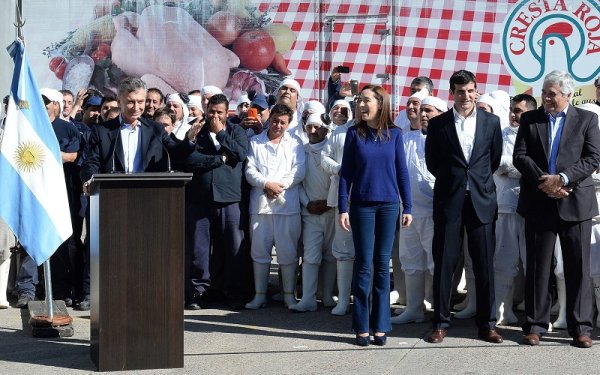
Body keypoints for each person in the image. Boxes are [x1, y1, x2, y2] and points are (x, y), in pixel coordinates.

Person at [513, 70, 600, 348]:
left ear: (568, 94)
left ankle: (581, 328)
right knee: (538, 267)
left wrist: (562, 179)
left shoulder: (587, 119)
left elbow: (592, 157)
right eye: (544, 92)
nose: (546, 98)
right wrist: (546, 182)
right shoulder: (530, 118)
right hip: (539, 201)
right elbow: (520, 156)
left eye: (552, 93)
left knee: (578, 267)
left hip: (574, 201)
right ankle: (535, 325)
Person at [424, 70, 503, 344]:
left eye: (470, 90)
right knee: (445, 262)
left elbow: (492, 159)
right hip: (450, 200)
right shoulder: (439, 124)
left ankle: (487, 324)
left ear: (476, 90)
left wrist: (475, 182)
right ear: (452, 93)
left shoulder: (492, 122)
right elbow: (432, 162)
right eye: (460, 91)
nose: (466, 96)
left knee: (484, 265)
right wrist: (455, 181)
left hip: (481, 200)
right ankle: (440, 322)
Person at [338, 85, 412, 346]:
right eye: (359, 101)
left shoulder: (395, 134)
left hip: (389, 206)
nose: (360, 105)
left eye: (366, 100)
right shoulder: (353, 134)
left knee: (383, 266)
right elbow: (346, 174)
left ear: (380, 104)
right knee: (364, 265)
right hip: (361, 206)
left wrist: (408, 206)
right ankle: (361, 325)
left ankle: (381, 325)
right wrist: (343, 208)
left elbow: (402, 171)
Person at [182, 94, 247, 310]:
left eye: (220, 112)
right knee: (199, 249)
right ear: (206, 110)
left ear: (227, 113)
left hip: (229, 198)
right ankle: (198, 292)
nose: (215, 116)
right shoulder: (197, 131)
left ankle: (233, 291)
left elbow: (240, 155)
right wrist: (219, 159)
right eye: (212, 111)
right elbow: (190, 159)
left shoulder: (235, 131)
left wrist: (221, 134)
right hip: (200, 198)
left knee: (233, 246)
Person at [244, 104, 305, 309]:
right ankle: (260, 295)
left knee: (288, 253)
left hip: (287, 205)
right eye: (275, 120)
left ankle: (289, 295)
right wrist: (265, 184)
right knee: (259, 252)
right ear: (270, 118)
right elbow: (250, 170)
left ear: (289, 123)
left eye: (283, 122)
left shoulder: (295, 143)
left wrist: (280, 186)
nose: (278, 125)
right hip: (261, 205)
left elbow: (299, 170)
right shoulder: (255, 142)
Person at [392, 96, 446, 324]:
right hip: (409, 213)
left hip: (434, 213)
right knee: (410, 261)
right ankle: (414, 308)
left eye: (429, 111)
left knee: (437, 263)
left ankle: (440, 311)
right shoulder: (405, 138)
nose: (423, 114)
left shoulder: (447, 139)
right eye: (421, 110)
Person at [81, 77, 189, 183]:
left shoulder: (155, 129)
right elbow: (91, 163)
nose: (136, 107)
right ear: (119, 102)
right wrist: (89, 180)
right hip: (114, 194)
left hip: (150, 192)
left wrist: (190, 139)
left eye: (140, 102)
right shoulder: (102, 131)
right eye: (131, 102)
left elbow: (175, 151)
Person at [492, 93, 537, 325]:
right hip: (505, 205)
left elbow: (537, 168)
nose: (513, 114)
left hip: (531, 209)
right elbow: (495, 162)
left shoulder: (536, 134)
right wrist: (518, 166)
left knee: (534, 262)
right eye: (512, 109)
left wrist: (514, 167)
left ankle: (535, 313)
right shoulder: (500, 134)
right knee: (503, 259)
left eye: (518, 110)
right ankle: (502, 310)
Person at [290, 113, 335, 312]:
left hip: (332, 211)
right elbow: (297, 181)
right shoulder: (301, 151)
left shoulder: (333, 150)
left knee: (332, 255)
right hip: (310, 213)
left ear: (326, 128)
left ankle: (327, 295)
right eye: (309, 127)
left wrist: (330, 203)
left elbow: (338, 179)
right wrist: (308, 204)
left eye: (317, 127)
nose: (313, 131)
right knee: (310, 256)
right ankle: (308, 298)